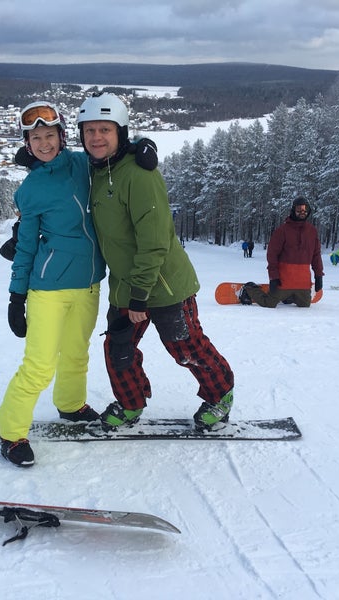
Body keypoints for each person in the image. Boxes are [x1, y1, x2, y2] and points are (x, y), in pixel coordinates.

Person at [0, 100, 158, 467]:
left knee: (76, 353)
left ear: (62, 136)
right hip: (47, 290)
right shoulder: (31, 190)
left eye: (49, 135)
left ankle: (70, 405)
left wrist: (142, 147)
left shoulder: (81, 163)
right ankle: (10, 432)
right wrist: (16, 296)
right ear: (27, 144)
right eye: (35, 138)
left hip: (89, 283)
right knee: (38, 365)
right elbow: (24, 246)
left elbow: (110, 152)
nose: (44, 143)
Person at [77, 93, 234, 432]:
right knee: (118, 349)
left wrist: (139, 295)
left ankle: (220, 395)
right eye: (89, 131)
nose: (97, 137)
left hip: (162, 285)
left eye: (105, 129)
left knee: (185, 347)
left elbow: (155, 240)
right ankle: (131, 404)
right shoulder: (99, 172)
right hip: (124, 283)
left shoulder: (138, 175)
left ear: (121, 133)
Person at [238, 197, 323, 308]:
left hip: (302, 282)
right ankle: (249, 289)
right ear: (293, 210)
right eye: (299, 209)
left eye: (305, 209)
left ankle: (289, 297)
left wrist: (318, 276)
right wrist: (274, 277)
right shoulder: (282, 230)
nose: (302, 212)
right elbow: (272, 254)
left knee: (304, 306)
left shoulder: (312, 231)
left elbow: (316, 255)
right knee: (269, 303)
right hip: (284, 281)